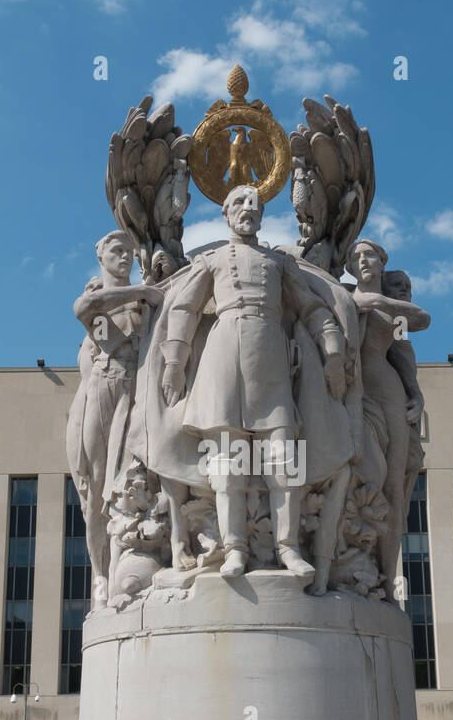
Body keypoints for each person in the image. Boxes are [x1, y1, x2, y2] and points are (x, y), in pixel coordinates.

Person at [159, 185, 346, 578]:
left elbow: (312, 307)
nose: (249, 209)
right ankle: (235, 549)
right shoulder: (211, 261)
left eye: (256, 205)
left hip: (271, 357)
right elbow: (185, 308)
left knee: (282, 457)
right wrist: (174, 361)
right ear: (226, 214)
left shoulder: (279, 263)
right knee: (228, 463)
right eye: (241, 204)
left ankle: (288, 547)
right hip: (223, 354)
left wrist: (332, 354)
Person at [66, 231, 162, 603]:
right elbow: (84, 309)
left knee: (129, 485)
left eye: (129, 252)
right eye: (117, 251)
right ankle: (100, 573)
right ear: (100, 255)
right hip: (104, 389)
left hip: (136, 393)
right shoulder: (103, 300)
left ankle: (126, 561)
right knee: (94, 492)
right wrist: (141, 291)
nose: (125, 257)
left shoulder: (142, 303)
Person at [346, 239, 430, 600]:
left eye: (370, 256)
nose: (363, 261)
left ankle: (387, 577)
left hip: (386, 390)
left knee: (393, 486)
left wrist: (416, 394)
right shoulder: (341, 293)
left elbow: (409, 338)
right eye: (356, 257)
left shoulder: (389, 308)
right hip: (347, 390)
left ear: (382, 262)